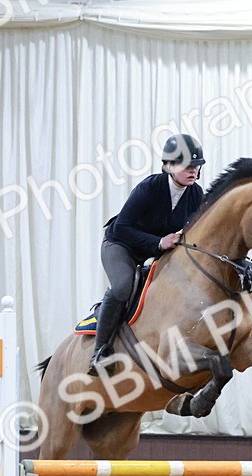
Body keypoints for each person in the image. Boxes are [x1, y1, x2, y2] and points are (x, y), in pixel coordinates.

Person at [89, 133, 206, 375]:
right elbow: (122, 227)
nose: (193, 171)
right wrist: (159, 242)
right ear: (170, 165)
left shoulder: (196, 195)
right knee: (123, 286)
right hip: (121, 245)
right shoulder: (149, 187)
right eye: (187, 165)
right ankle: (100, 351)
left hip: (155, 251)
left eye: (197, 166)